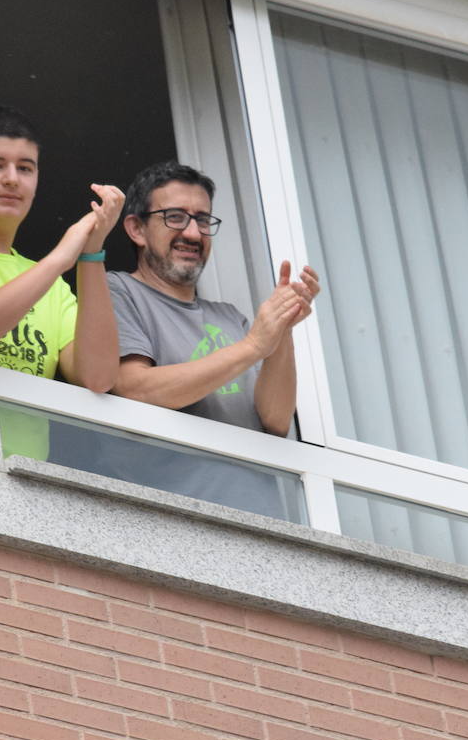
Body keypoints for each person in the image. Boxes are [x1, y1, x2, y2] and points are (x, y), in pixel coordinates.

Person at [103, 160, 320, 518]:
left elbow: (275, 420)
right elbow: (134, 387)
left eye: (202, 220)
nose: (192, 233)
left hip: (262, 521)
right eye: (175, 217)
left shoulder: (229, 317)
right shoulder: (117, 290)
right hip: (170, 520)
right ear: (137, 229)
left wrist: (282, 328)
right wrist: (253, 346)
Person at [0, 104, 124, 458]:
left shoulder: (53, 286)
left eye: (25, 168)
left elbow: (98, 377)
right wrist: (60, 259)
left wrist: (91, 254)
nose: (11, 179)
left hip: (24, 477)